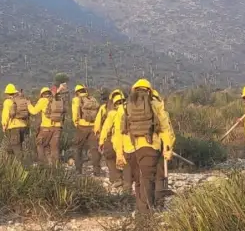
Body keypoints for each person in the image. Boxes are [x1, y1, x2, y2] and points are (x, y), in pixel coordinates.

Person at [113, 79, 174, 215]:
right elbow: (165, 128)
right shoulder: (156, 104)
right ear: (150, 91)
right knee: (147, 180)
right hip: (150, 146)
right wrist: (167, 148)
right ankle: (146, 216)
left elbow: (118, 132)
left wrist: (119, 153)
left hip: (130, 149)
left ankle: (142, 214)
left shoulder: (124, 107)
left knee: (139, 181)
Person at [98, 92, 132, 191]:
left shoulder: (112, 113)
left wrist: (101, 141)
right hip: (130, 141)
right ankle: (129, 181)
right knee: (128, 162)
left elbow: (105, 128)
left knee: (110, 157)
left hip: (116, 140)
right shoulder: (129, 109)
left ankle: (117, 179)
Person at [29, 87, 65, 165]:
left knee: (40, 144)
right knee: (54, 147)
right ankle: (55, 167)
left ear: (42, 94)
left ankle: (43, 164)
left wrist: (28, 104)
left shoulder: (43, 100)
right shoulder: (58, 100)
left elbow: (34, 111)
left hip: (46, 128)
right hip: (57, 128)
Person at [72, 84, 102, 175]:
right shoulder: (92, 99)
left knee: (78, 148)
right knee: (94, 149)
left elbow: (75, 113)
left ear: (77, 92)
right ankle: (96, 171)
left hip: (82, 126)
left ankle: (78, 170)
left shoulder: (76, 99)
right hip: (93, 126)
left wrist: (76, 124)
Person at [1, 83, 31, 156]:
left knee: (16, 147)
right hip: (23, 126)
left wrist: (4, 125)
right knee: (12, 146)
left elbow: (5, 115)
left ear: (7, 93)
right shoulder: (20, 100)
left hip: (14, 127)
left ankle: (21, 164)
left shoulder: (7, 102)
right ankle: (11, 164)